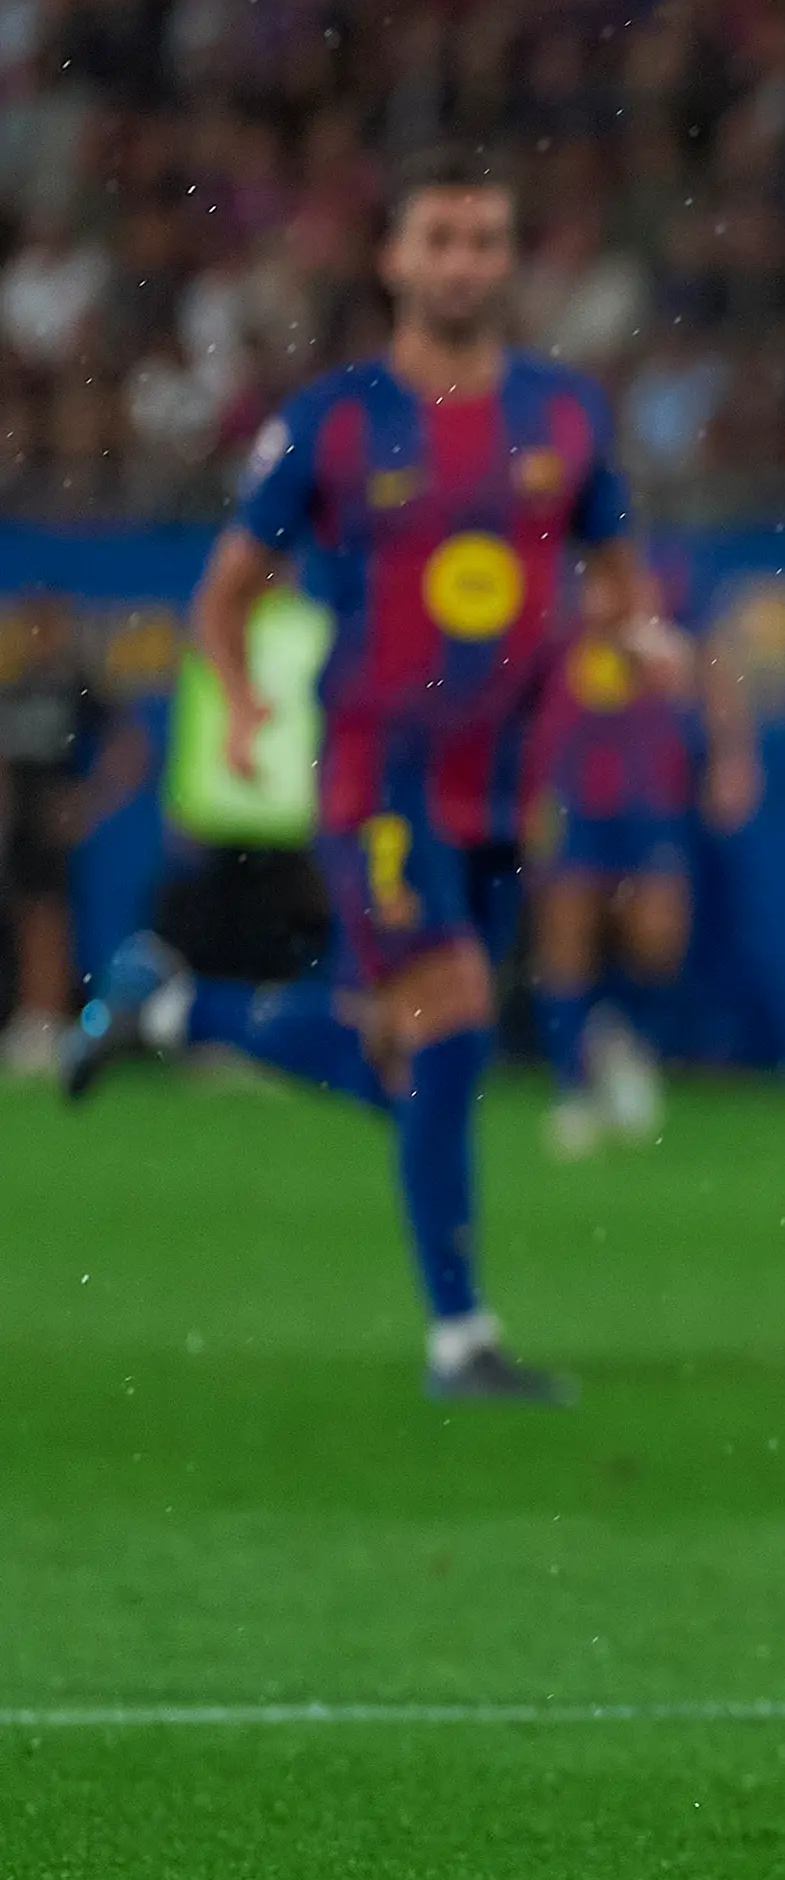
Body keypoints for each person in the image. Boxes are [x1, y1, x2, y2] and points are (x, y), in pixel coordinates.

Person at [63, 153, 670, 1404]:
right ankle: (460, 1341)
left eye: (486, 239)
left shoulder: (564, 417)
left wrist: (631, 631)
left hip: (502, 783)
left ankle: (169, 1010)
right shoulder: (336, 419)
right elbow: (224, 597)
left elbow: (617, 570)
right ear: (393, 260)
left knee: (411, 1061)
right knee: (448, 1016)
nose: (463, 263)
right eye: (440, 239)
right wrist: (235, 708)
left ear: (510, 261)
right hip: (376, 773)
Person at [524, 574, 759, 1155]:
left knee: (659, 938)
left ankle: (618, 1039)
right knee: (565, 931)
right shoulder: (546, 561)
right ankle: (571, 1090)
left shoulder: (669, 566)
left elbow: (711, 663)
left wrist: (731, 754)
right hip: (568, 780)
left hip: (647, 780)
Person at [2, 594, 147, 1075]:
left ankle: (49, 1018)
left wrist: (87, 801)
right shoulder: (15, 686)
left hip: (50, 817)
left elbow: (130, 746)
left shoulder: (75, 687)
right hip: (19, 818)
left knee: (50, 915)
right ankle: (29, 1017)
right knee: (23, 912)